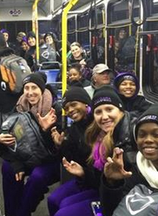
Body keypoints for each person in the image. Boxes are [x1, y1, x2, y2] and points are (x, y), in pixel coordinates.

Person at [58, 85, 137, 216]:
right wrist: (83, 173)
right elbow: (98, 177)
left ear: (120, 109)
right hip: (106, 191)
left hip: (125, 199)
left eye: (109, 109)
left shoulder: (132, 134)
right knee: (60, 203)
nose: (104, 116)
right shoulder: (99, 138)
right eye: (98, 112)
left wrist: (110, 182)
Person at [0, 72, 62, 216]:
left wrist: (46, 130)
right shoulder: (20, 107)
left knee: (38, 176)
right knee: (9, 168)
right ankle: (11, 212)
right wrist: (16, 163)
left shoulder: (55, 109)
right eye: (27, 88)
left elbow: (59, 149)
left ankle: (21, 212)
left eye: (34, 88)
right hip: (28, 156)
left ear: (42, 90)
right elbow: (7, 132)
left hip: (50, 160)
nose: (30, 93)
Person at [100, 102, 158, 216]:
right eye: (142, 134)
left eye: (156, 134)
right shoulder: (133, 168)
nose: (148, 140)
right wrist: (112, 183)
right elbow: (111, 211)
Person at [48, 85, 96, 216]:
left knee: (64, 207)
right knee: (53, 200)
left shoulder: (98, 123)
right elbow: (70, 159)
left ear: (86, 103)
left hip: (98, 182)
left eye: (74, 104)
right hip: (85, 178)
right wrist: (60, 145)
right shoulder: (73, 129)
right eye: (66, 108)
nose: (70, 110)